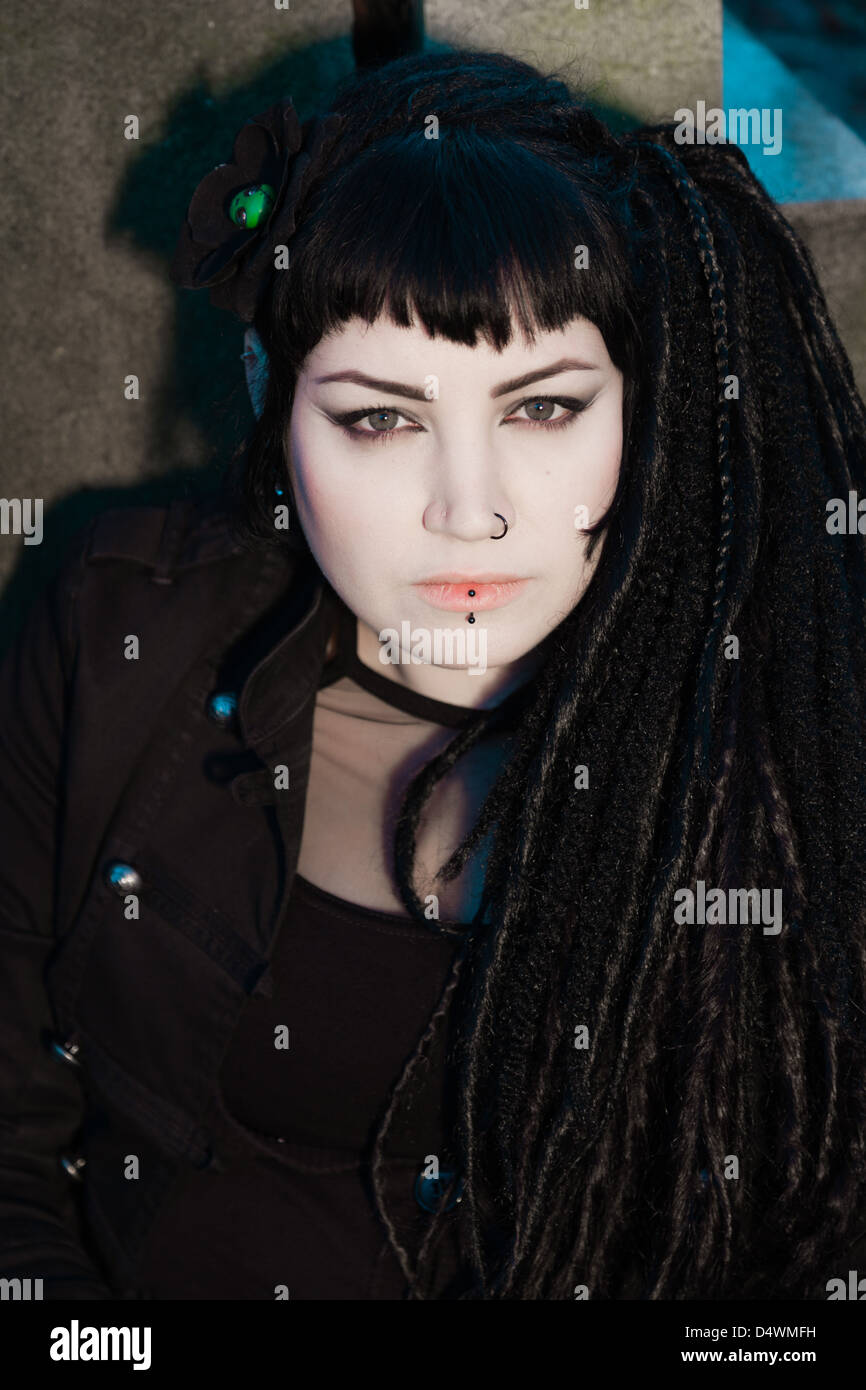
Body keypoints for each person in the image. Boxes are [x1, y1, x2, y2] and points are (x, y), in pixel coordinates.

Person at [1, 47, 865, 1302]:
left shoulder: (781, 746)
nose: (470, 515)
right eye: (378, 418)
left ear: (651, 407)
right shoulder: (114, 626)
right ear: (274, 412)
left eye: (543, 409)